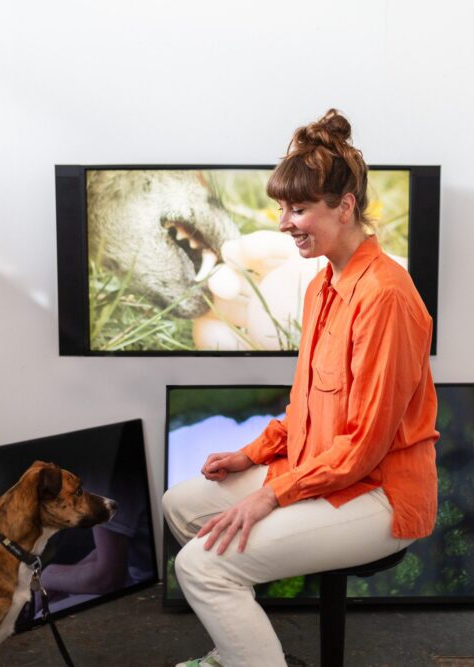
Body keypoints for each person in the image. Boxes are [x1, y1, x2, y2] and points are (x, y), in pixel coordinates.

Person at [162, 109, 439, 667]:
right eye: (282, 209)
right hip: (323, 466)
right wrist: (253, 454)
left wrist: (271, 494)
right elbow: (309, 412)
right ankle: (239, 651)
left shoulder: (384, 295)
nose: (285, 222)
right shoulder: (321, 286)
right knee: (182, 505)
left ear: (345, 206)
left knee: (201, 564)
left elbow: (365, 443)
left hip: (381, 493)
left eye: (299, 208)